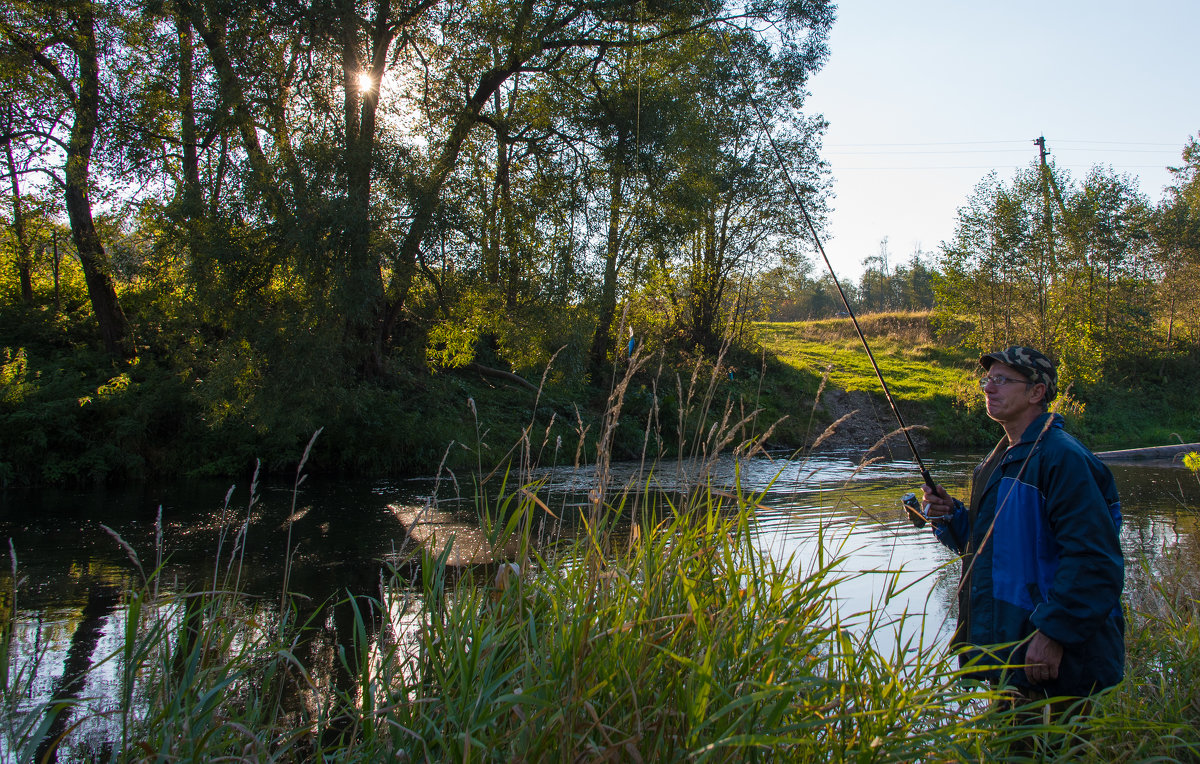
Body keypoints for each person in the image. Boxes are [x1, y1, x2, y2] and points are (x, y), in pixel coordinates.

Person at [922, 346, 1124, 698]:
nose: (988, 388)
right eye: (988, 379)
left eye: (1002, 380)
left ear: (1036, 392)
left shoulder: (1063, 459)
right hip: (1011, 654)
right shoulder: (996, 462)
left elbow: (1094, 561)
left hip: (1057, 662)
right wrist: (952, 516)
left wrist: (1053, 634)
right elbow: (990, 549)